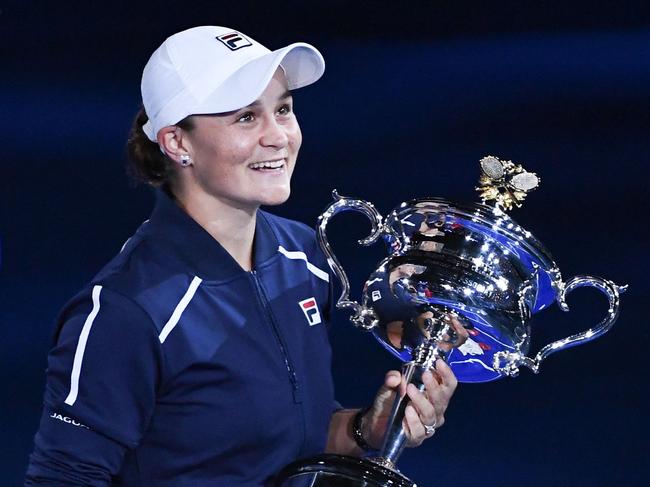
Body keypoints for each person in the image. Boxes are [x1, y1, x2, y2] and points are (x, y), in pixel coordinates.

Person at [25, 26, 458, 486]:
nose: (279, 137)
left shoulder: (305, 256)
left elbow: (284, 442)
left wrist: (364, 428)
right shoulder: (127, 311)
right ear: (177, 143)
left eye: (284, 110)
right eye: (246, 118)